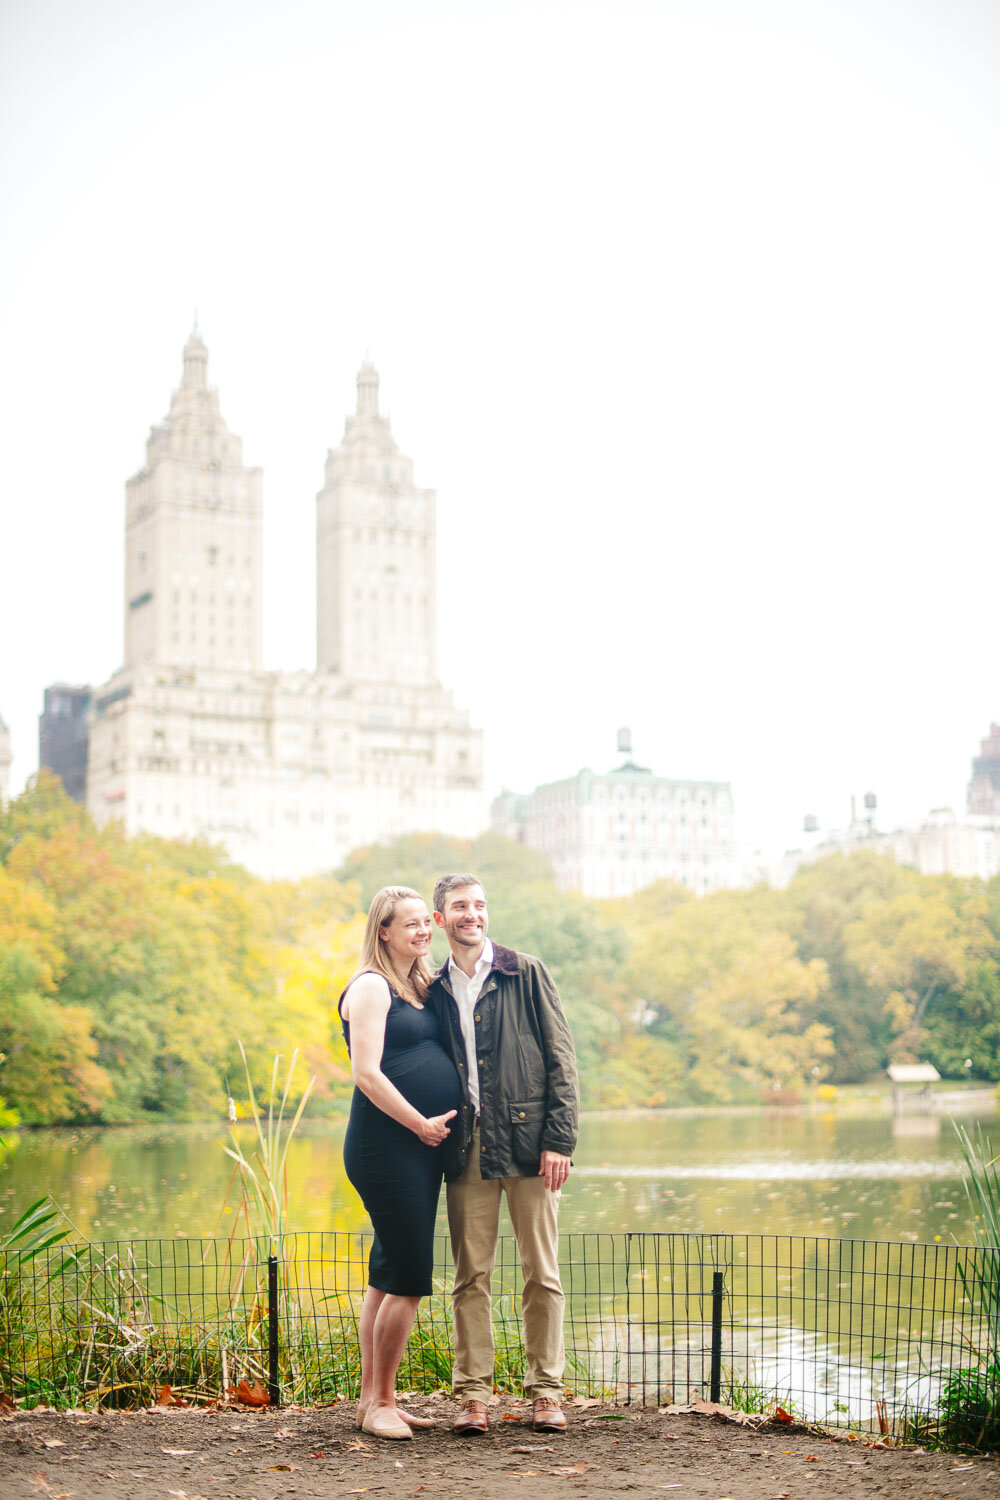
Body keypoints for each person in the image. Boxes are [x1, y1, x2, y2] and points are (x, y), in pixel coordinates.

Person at [429, 873, 580, 1435]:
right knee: (471, 1277)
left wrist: (559, 1141)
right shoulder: (434, 985)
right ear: (441, 919)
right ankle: (473, 1396)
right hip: (467, 1148)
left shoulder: (526, 971)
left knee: (542, 1274)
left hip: (531, 1145)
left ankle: (546, 1391)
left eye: (480, 904)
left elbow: (562, 1059)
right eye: (460, 907)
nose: (473, 914)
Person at [338, 885, 461, 1440]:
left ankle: (371, 1401)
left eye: (424, 923)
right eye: (408, 923)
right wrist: (420, 1123)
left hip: (421, 1145)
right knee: (409, 1275)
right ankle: (383, 1401)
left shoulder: (418, 985)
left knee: (387, 1273)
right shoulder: (370, 987)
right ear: (382, 930)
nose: (421, 930)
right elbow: (367, 1073)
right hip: (387, 1147)